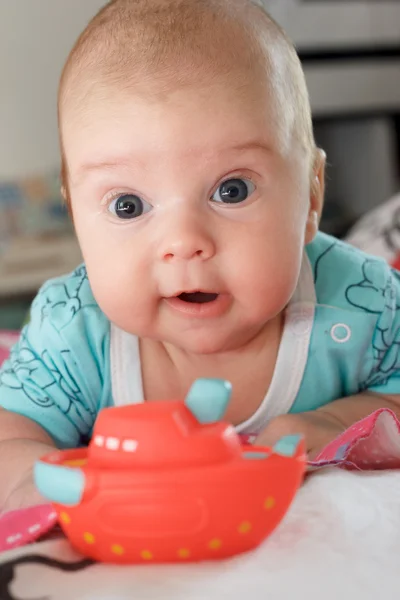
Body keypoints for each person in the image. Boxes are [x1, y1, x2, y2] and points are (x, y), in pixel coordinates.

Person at [1, 0, 400, 511]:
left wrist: (338, 422)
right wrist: (30, 481)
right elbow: (11, 431)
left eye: (231, 190)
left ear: (311, 197)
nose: (183, 241)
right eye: (128, 205)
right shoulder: (73, 333)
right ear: (76, 215)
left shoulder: (363, 305)